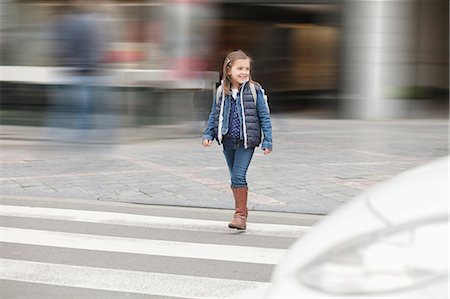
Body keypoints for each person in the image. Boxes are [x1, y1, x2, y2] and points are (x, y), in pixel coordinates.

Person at [202, 50, 273, 231]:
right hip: (227, 141)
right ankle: (242, 210)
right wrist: (208, 135)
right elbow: (214, 115)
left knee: (238, 176)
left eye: (247, 69)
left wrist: (267, 141)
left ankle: (239, 215)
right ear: (228, 70)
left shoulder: (254, 90)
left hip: (246, 142)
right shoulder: (221, 91)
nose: (244, 72)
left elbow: (264, 117)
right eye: (240, 68)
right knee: (234, 178)